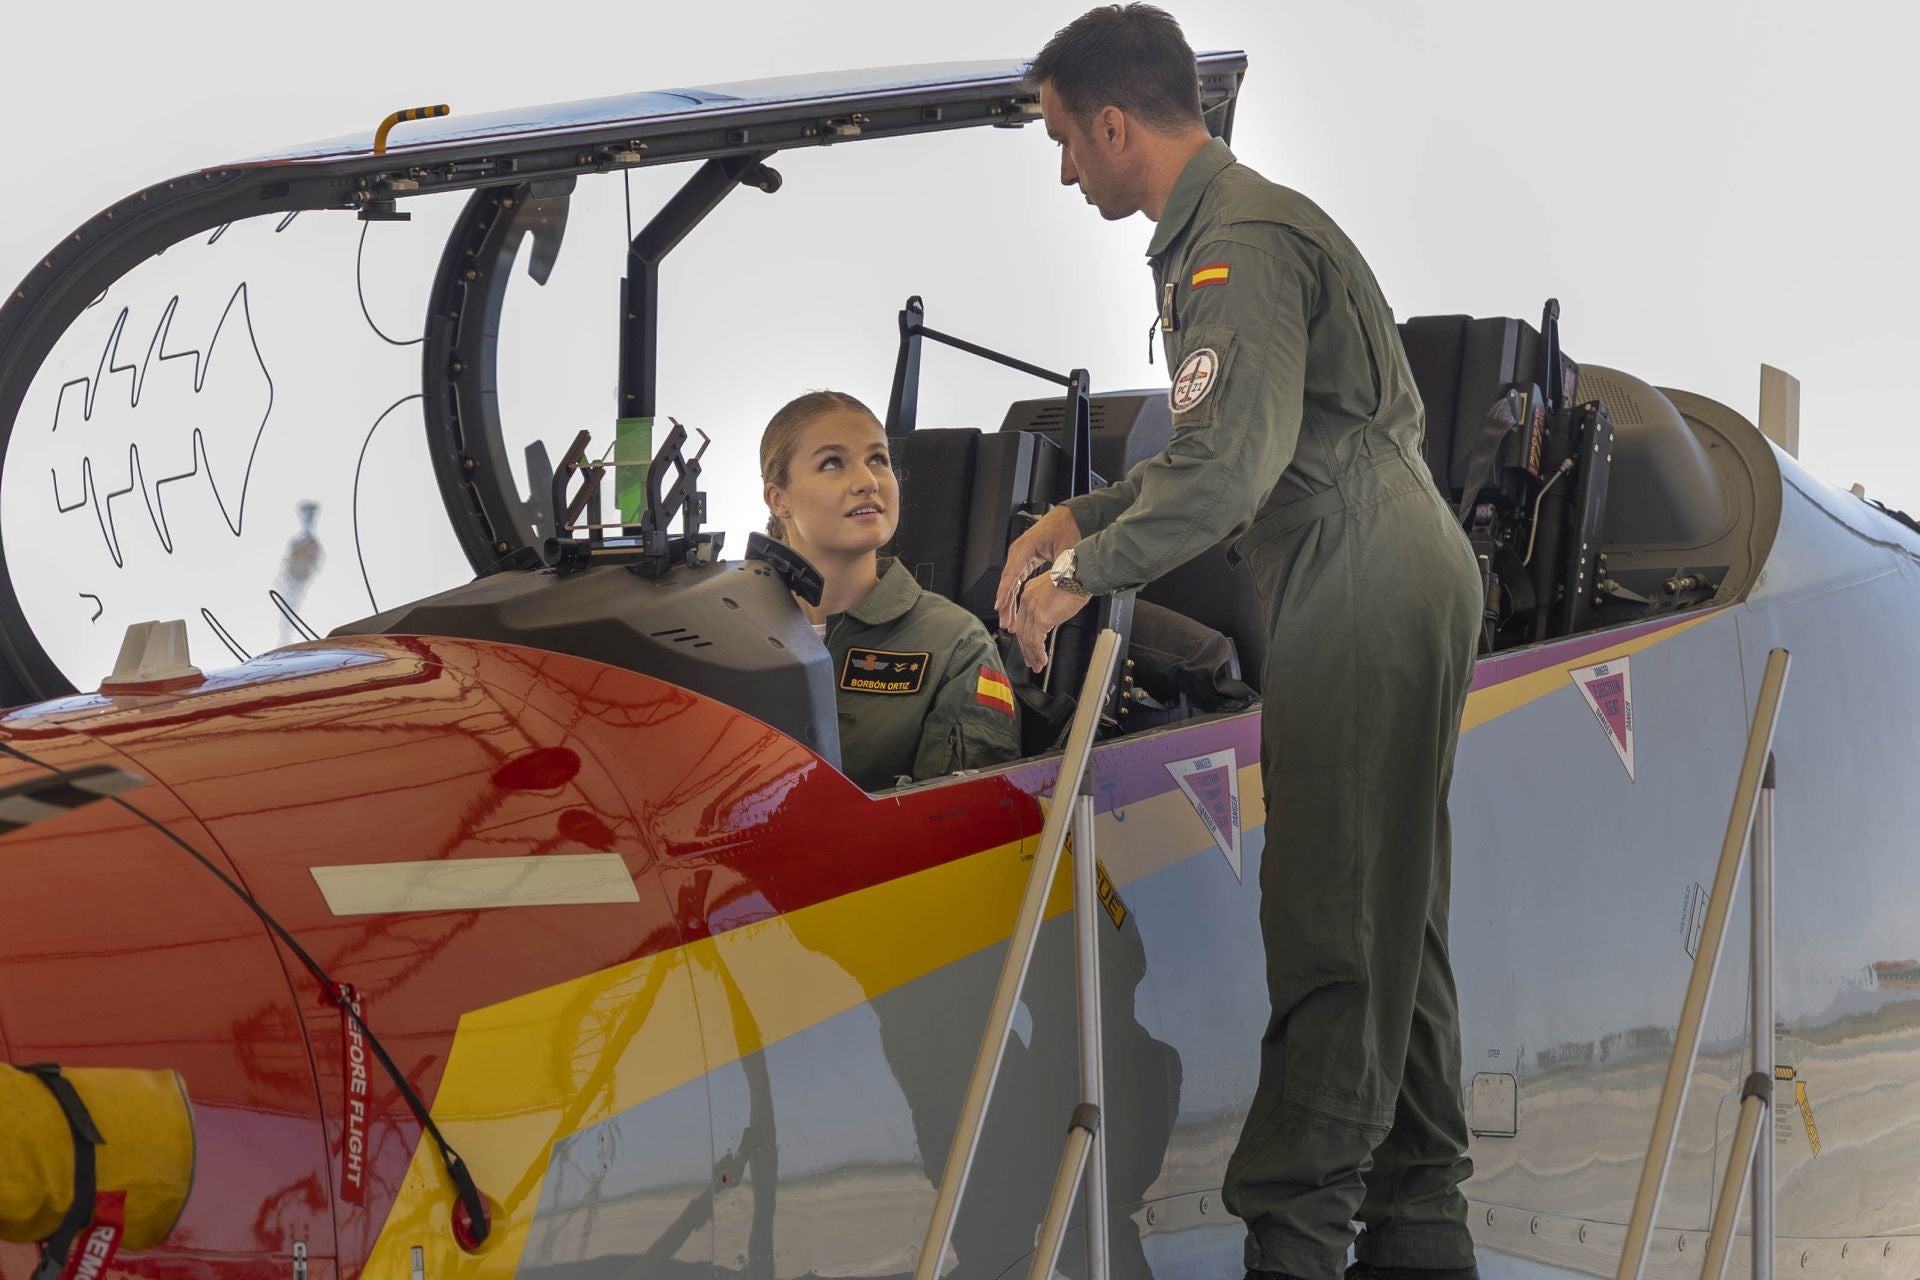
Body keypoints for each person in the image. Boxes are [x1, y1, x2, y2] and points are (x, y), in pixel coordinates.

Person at [994, 9, 1484, 1280]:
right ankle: (1420, 1227)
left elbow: (1224, 475)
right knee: (1391, 922)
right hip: (1367, 556)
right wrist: (1075, 512)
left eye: (1061, 141)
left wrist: (1073, 577)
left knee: (1329, 910)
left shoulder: (1239, 246)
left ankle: (1298, 1239)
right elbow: (1236, 453)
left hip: (1357, 570)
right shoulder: (1226, 234)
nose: (1063, 171)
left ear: (1114, 126)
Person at [761, 390, 1021, 791]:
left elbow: (967, 824)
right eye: (832, 463)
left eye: (878, 460)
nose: (867, 482)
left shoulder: (956, 645)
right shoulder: (724, 630)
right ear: (778, 499)